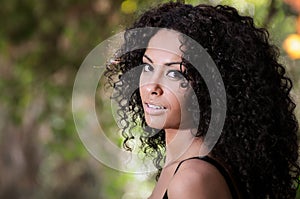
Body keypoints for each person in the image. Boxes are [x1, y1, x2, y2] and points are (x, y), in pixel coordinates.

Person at [105, 1, 300, 198]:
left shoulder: (191, 179)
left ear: (208, 87)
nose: (151, 87)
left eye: (174, 74)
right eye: (148, 67)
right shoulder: (183, 166)